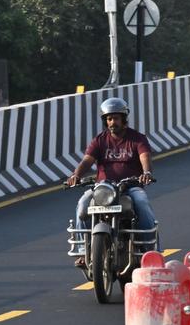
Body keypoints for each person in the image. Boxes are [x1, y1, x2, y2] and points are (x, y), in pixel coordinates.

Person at [65, 98, 156, 266]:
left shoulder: (137, 139)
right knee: (82, 205)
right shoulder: (100, 140)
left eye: (115, 118)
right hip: (104, 188)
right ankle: (83, 252)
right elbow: (87, 160)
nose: (112, 122)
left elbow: (145, 156)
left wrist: (146, 173)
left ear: (123, 119)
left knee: (142, 202)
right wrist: (75, 175)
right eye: (109, 119)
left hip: (130, 187)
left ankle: (150, 250)